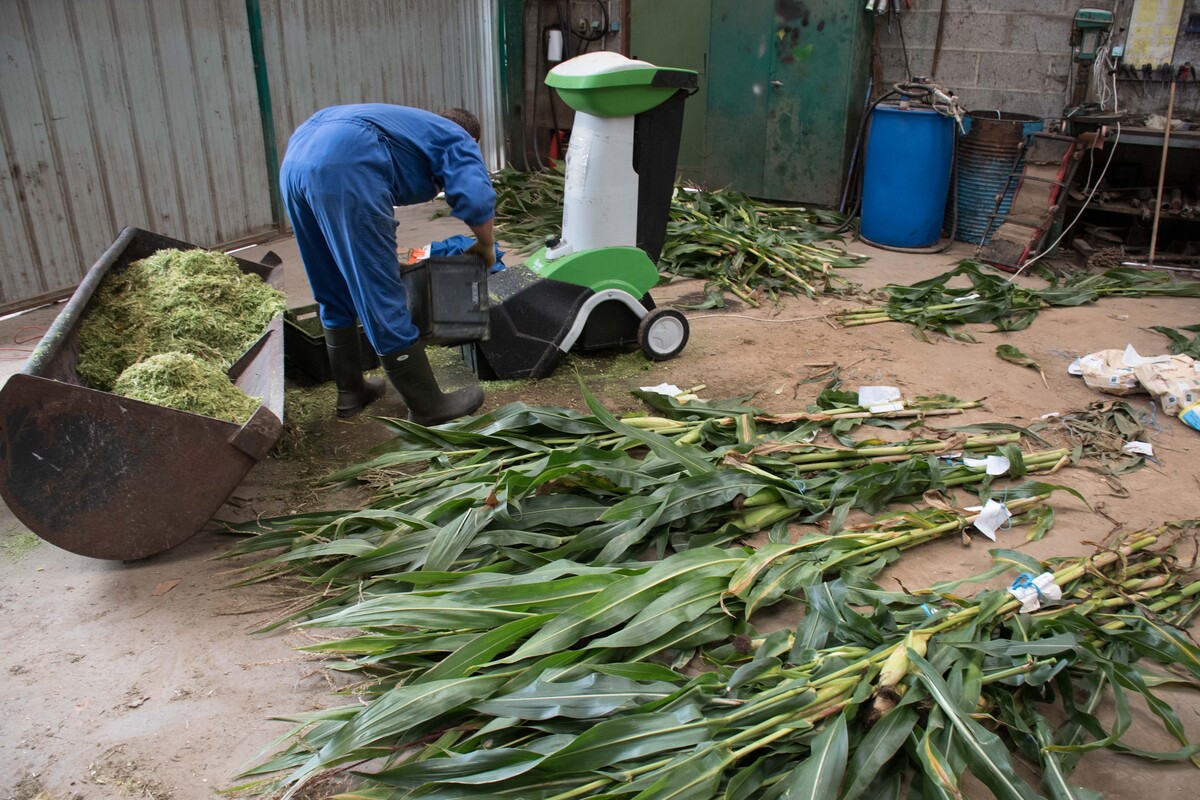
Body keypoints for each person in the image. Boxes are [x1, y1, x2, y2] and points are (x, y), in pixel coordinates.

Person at [279, 104, 495, 423]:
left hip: (297, 159)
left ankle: (351, 391)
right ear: (474, 140)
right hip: (346, 163)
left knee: (331, 281)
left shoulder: (414, 127)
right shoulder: (458, 137)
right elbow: (476, 197)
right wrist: (486, 246)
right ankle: (427, 406)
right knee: (379, 288)